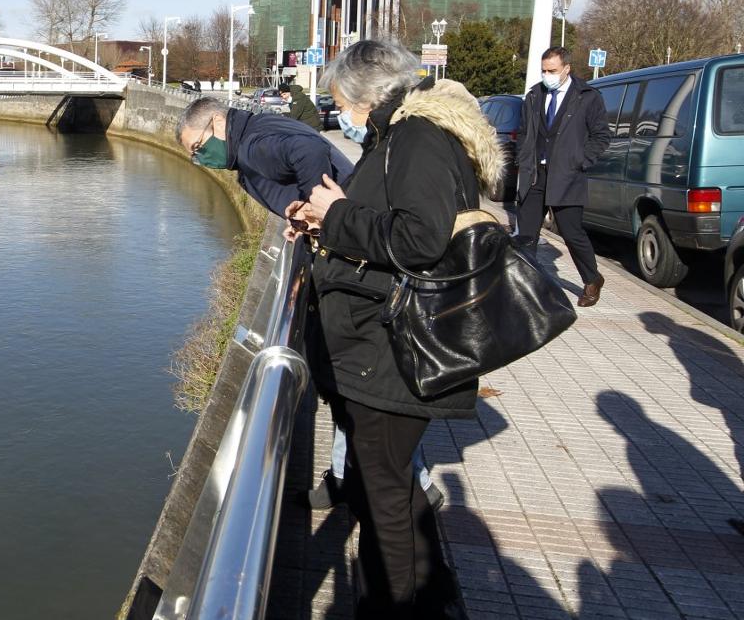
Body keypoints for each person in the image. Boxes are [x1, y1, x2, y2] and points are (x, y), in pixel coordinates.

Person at [292, 39, 501, 618]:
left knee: (384, 491)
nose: (340, 115)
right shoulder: (403, 135)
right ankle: (431, 594)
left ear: (367, 95)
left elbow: (418, 238)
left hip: (390, 347)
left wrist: (335, 214)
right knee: (392, 483)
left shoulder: (417, 139)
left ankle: (396, 606)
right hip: (380, 343)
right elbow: (389, 224)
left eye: (339, 102)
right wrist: (325, 223)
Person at [515, 45, 611, 307]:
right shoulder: (534, 95)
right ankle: (527, 288)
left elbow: (601, 135)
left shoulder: (587, 97)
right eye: (544, 70)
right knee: (527, 234)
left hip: (567, 175)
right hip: (535, 174)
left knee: (572, 233)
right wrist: (522, 159)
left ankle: (592, 279)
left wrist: (581, 161)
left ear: (566, 69)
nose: (547, 75)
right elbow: (524, 132)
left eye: (552, 70)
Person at [175, 97, 351, 218]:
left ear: (219, 122)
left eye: (198, 147)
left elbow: (309, 150)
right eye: (195, 155)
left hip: (351, 234)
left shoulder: (250, 147)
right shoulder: (261, 124)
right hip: (355, 216)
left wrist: (315, 209)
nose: (201, 158)